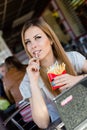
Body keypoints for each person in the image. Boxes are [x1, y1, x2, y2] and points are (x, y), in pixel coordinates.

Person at [19, 18, 87, 129]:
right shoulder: (28, 81)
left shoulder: (72, 58)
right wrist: (33, 82)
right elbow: (43, 123)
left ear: (50, 39)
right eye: (28, 42)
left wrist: (78, 79)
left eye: (38, 38)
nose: (33, 45)